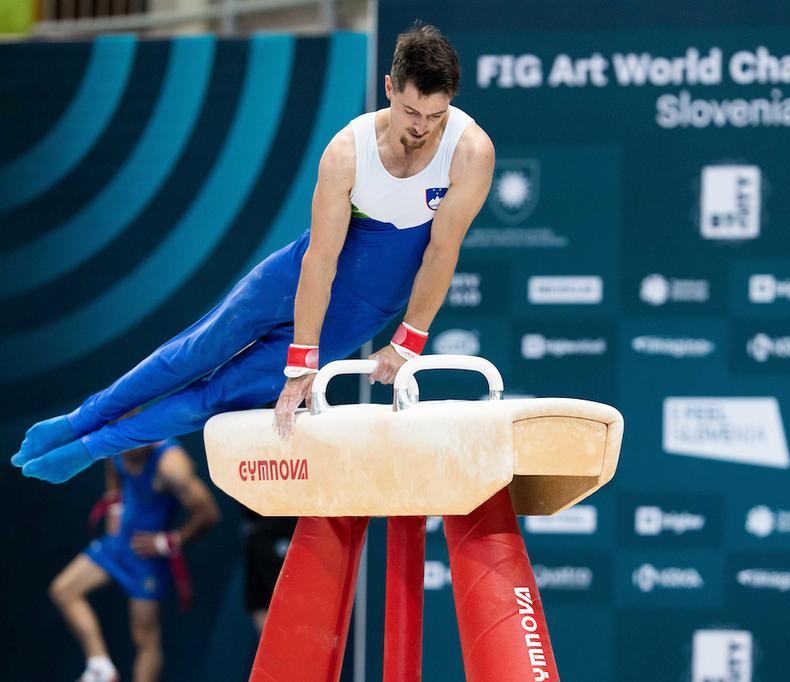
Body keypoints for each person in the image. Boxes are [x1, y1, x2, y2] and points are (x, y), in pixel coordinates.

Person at [11, 23, 495, 483]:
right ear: (390, 87)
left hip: (361, 310)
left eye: (436, 115)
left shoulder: (469, 151)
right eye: (412, 112)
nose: (422, 128)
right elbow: (321, 260)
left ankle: (93, 448)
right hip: (297, 273)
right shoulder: (347, 152)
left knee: (220, 395)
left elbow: (441, 252)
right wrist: (301, 360)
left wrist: (407, 341)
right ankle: (81, 420)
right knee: (193, 352)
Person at [49, 438, 220, 682]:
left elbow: (209, 513)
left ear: (146, 436)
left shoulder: (171, 466)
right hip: (118, 544)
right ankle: (101, 668)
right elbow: (112, 468)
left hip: (145, 559)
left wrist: (169, 541)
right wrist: (115, 505)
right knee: (64, 590)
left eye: (132, 443)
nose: (124, 449)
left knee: (145, 639)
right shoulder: (114, 442)